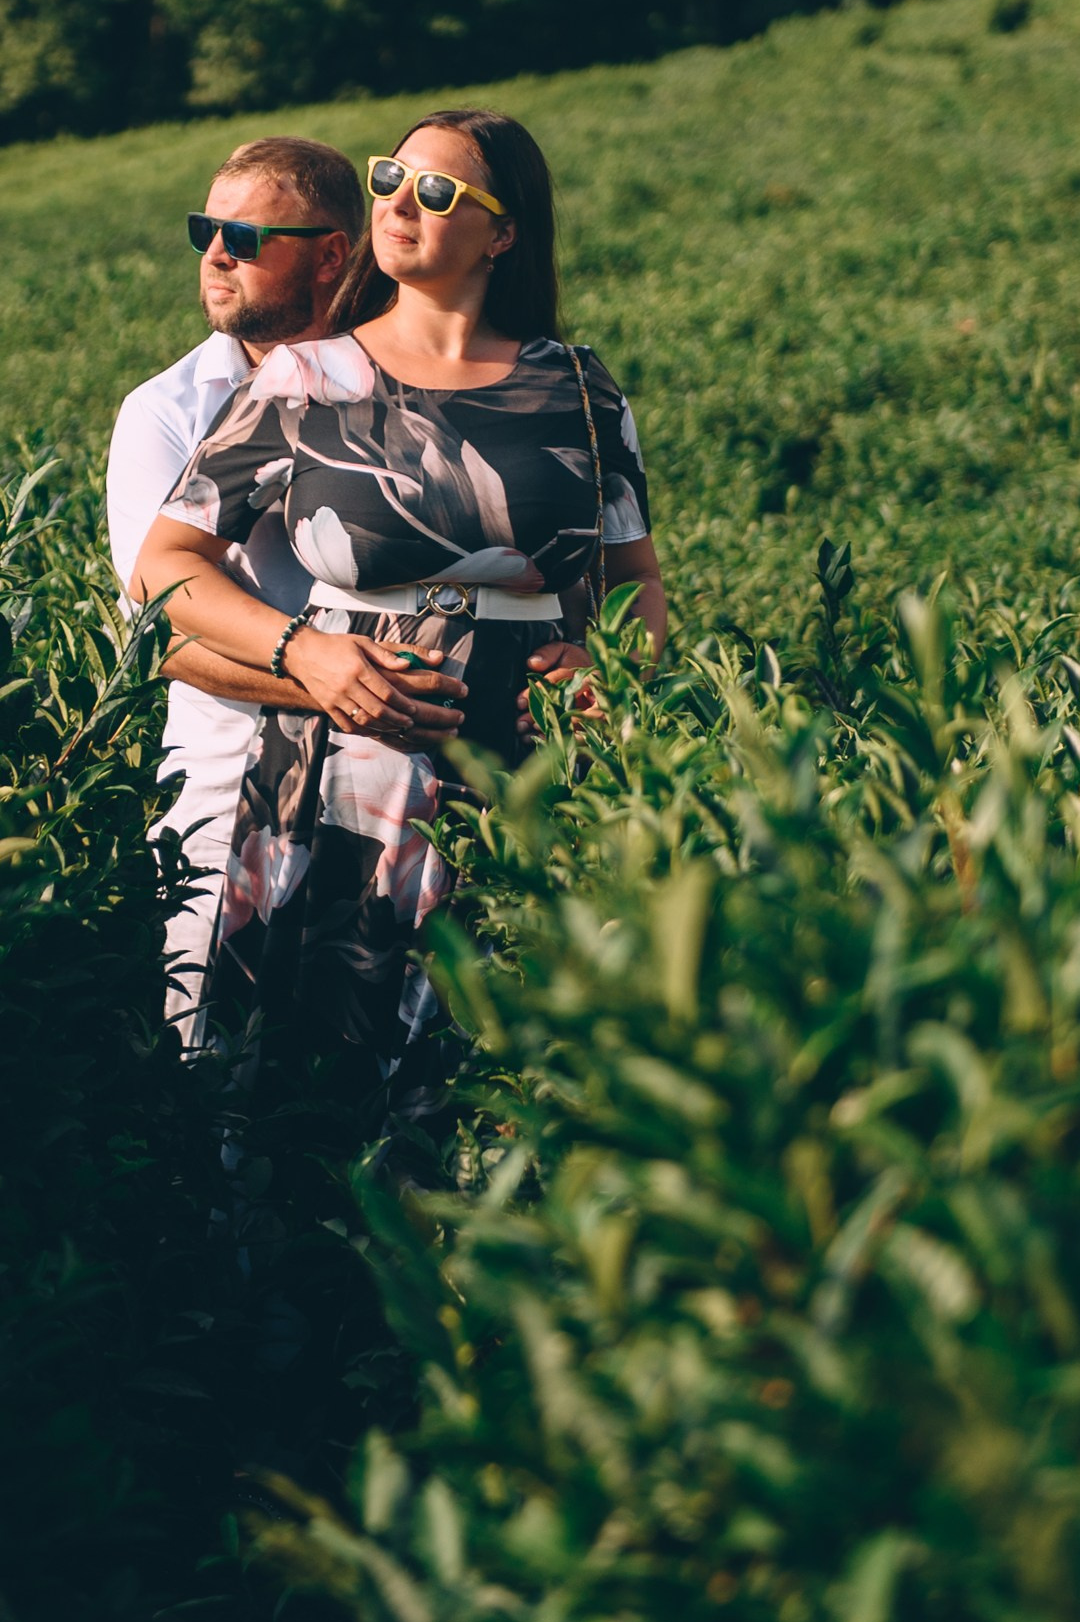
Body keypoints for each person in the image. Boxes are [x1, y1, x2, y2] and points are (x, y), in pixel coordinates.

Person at [133, 105, 666, 1087]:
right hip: (342, 767)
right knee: (311, 1073)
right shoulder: (306, 378)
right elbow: (165, 568)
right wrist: (306, 653)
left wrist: (608, 664)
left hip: (530, 768)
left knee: (496, 1063)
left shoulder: (582, 391)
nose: (398, 204)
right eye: (389, 179)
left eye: (435, 190)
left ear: (503, 233)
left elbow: (633, 579)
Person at [105, 135, 465, 1043]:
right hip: (228, 795)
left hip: (411, 787)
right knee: (219, 1066)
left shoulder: (407, 382)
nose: (214, 255)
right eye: (204, 230)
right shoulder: (169, 410)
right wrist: (337, 683)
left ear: (332, 254)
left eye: (243, 236)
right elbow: (161, 633)